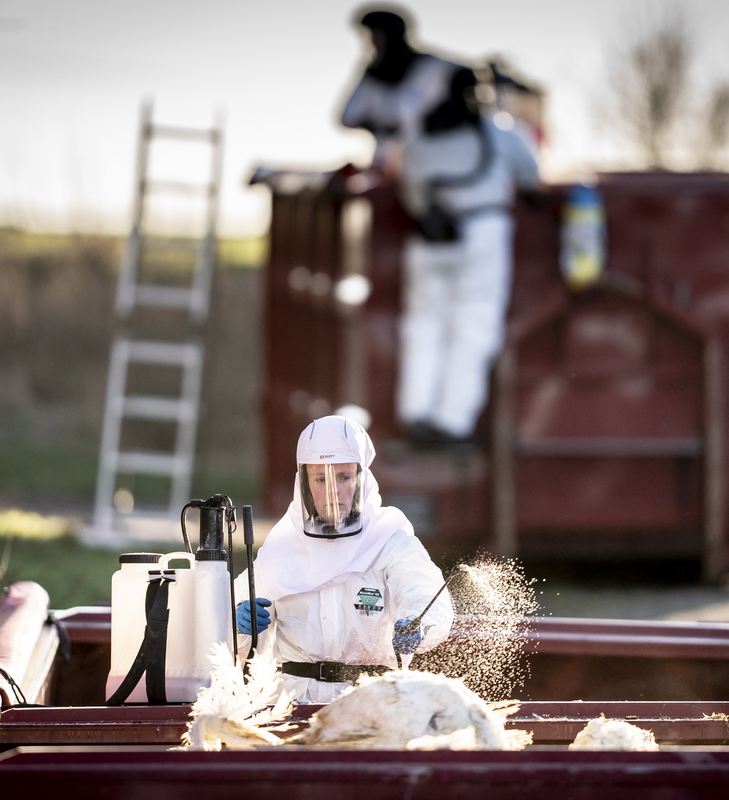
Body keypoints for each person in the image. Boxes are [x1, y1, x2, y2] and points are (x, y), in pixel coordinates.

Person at [234, 415, 453, 703]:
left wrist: (415, 623)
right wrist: (238, 623)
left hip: (371, 701)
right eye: (321, 479)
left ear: (363, 478)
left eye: (344, 477)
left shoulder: (390, 541)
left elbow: (423, 593)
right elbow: (229, 631)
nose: (333, 490)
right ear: (304, 482)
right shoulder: (282, 547)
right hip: (290, 703)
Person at [396, 67, 539, 443]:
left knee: (425, 326)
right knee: (473, 326)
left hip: (430, 237)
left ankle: (416, 412)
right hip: (482, 232)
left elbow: (412, 193)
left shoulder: (418, 137)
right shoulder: (500, 132)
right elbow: (531, 175)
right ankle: (452, 422)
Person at [340, 6, 462, 177]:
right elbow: (347, 117)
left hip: (436, 163)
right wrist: (380, 125)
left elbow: (470, 77)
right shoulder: (372, 77)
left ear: (391, 35)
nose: (371, 43)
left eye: (375, 36)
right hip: (387, 166)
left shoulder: (432, 67)